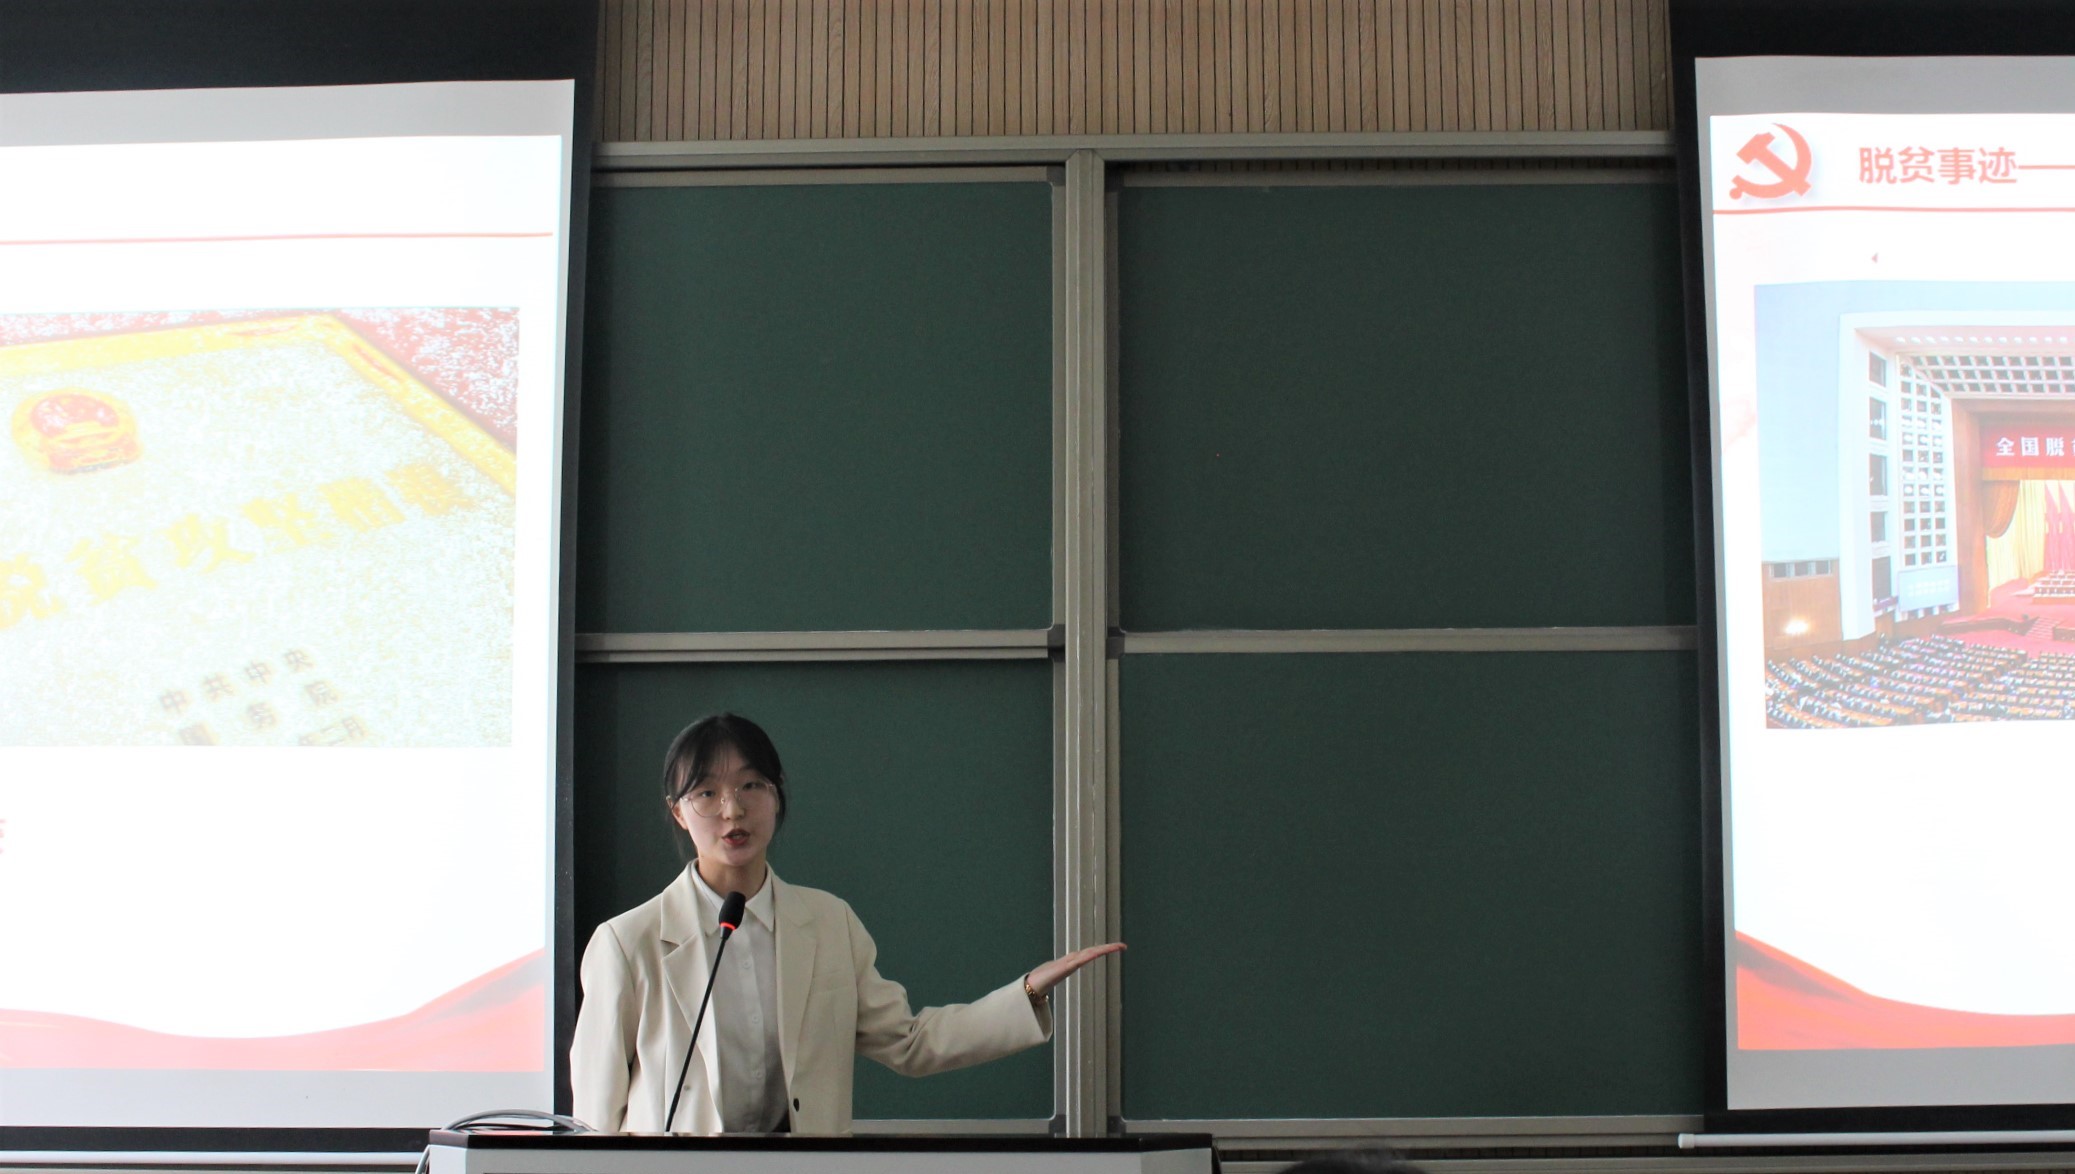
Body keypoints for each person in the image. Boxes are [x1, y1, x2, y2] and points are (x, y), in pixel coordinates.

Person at [571, 712, 1124, 1135]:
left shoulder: (828, 924)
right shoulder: (628, 942)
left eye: (750, 785)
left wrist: (1027, 992)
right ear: (678, 811)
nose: (732, 810)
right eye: (707, 793)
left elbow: (910, 1042)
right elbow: (595, 1117)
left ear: (777, 793)